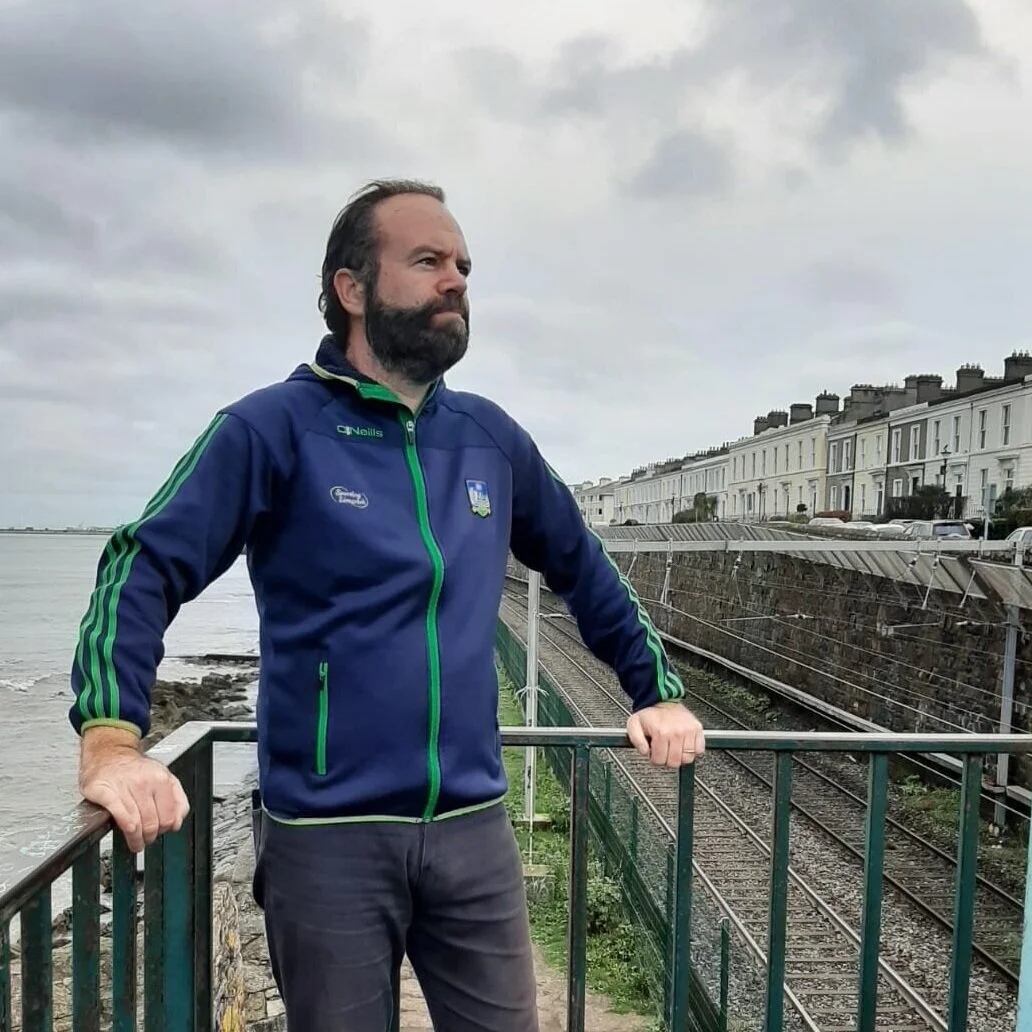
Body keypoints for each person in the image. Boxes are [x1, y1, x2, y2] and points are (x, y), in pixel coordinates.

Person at [69, 179, 705, 1031]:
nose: (456, 280)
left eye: (464, 266)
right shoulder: (271, 429)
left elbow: (583, 565)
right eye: (428, 260)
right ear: (352, 288)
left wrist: (655, 691)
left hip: (473, 829)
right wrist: (112, 741)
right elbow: (142, 563)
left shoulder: (489, 438)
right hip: (325, 840)